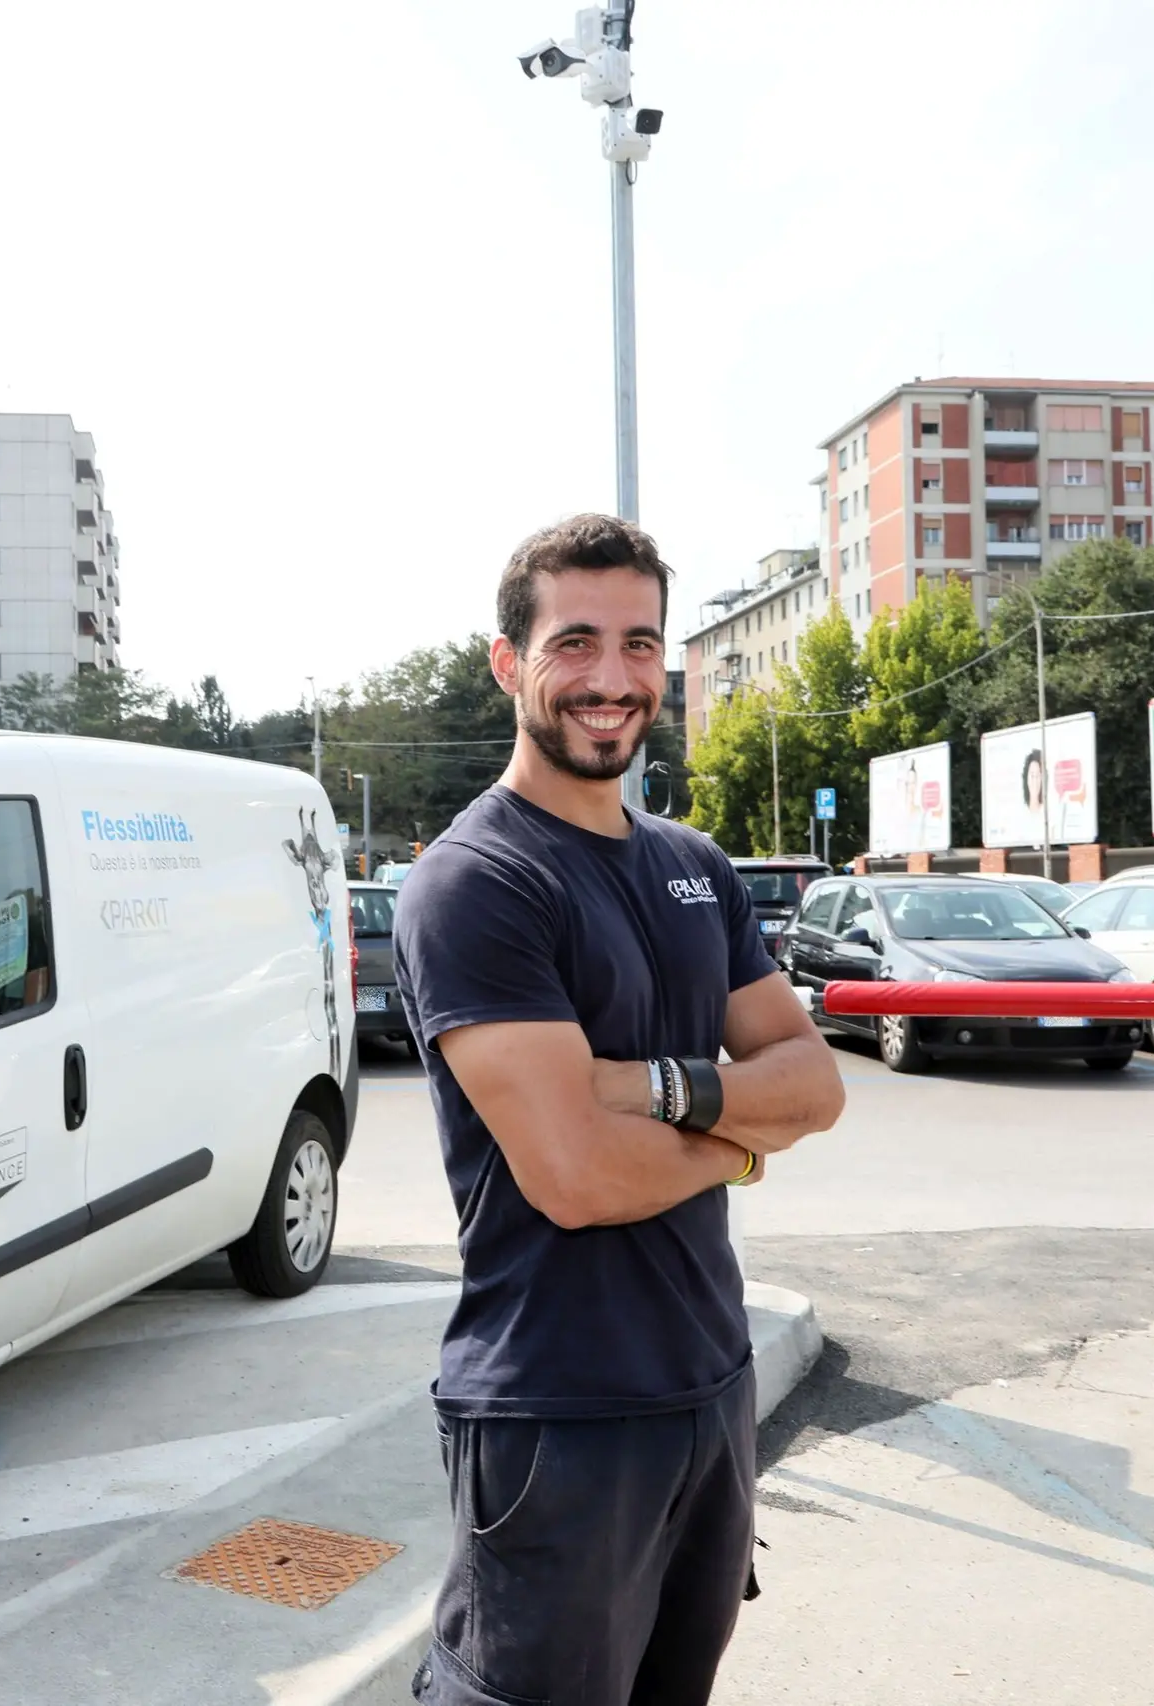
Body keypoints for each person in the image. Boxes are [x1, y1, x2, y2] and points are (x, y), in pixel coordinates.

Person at [393, 513, 848, 1706]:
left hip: (708, 1383)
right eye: (575, 641)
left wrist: (654, 1089)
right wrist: (746, 1148)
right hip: (559, 1410)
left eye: (640, 645)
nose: (611, 678)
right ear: (509, 662)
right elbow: (576, 1179)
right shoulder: (475, 881)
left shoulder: (690, 862)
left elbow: (817, 1081)